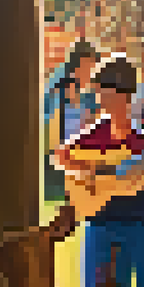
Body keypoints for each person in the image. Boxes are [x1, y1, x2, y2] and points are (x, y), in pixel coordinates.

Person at [52, 56, 144, 287]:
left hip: (141, 224)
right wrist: (93, 173)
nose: (102, 100)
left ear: (124, 96)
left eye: (106, 93)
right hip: (100, 223)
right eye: (101, 94)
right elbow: (62, 157)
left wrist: (143, 170)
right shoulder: (94, 135)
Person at [43, 40, 99, 202]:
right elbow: (50, 125)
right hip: (62, 155)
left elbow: (95, 123)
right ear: (75, 66)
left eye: (91, 67)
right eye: (85, 66)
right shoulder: (58, 89)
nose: (89, 72)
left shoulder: (92, 95)